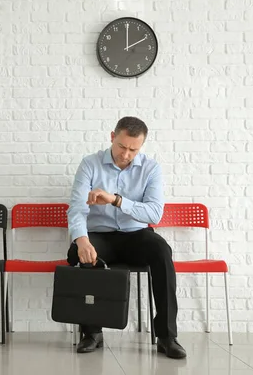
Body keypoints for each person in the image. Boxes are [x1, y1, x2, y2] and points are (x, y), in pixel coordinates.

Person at [66, 116, 186, 359]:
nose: (126, 154)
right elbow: (77, 208)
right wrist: (81, 239)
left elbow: (154, 212)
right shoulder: (90, 164)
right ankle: (91, 333)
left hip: (135, 235)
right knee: (87, 255)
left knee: (162, 252)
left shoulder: (151, 168)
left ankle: (166, 336)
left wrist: (116, 200)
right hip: (99, 234)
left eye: (134, 149)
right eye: (122, 146)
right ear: (112, 137)